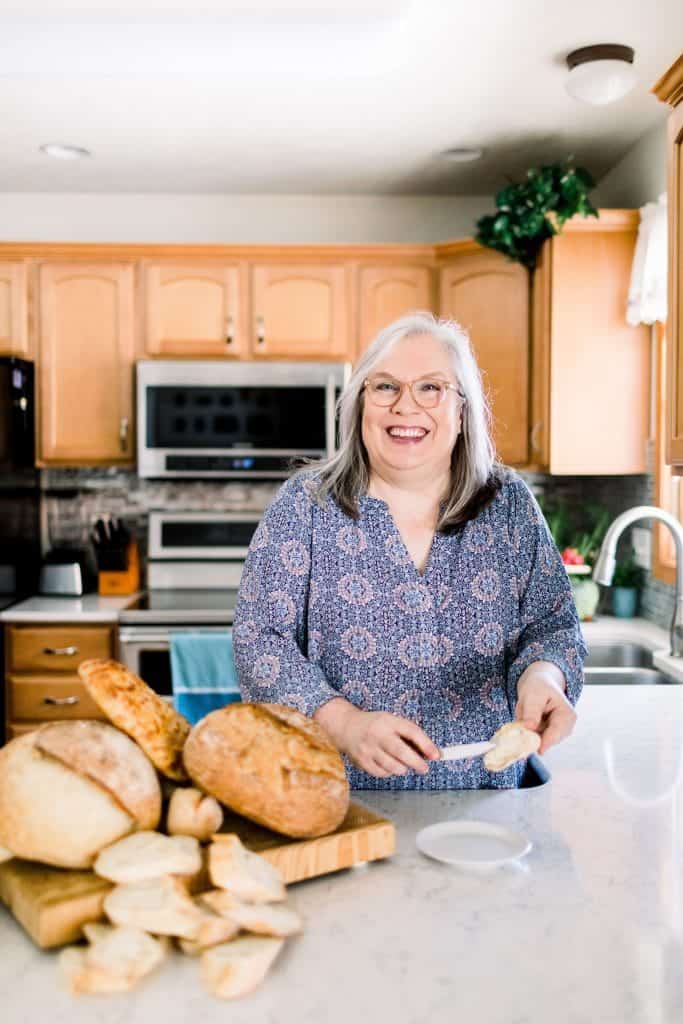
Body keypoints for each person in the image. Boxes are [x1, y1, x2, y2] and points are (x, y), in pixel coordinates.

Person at [233, 313, 586, 789]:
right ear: (361, 404)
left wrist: (544, 677)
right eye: (385, 387)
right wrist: (343, 722)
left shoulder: (508, 504)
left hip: (487, 805)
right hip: (340, 802)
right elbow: (259, 640)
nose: (406, 406)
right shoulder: (305, 505)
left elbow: (553, 623)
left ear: (462, 412)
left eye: (431, 388)